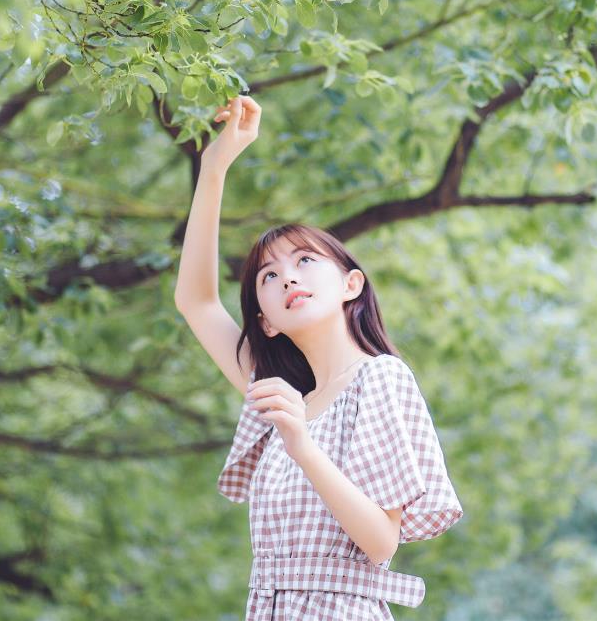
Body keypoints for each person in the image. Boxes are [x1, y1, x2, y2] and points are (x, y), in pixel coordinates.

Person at [173, 94, 464, 619]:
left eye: (305, 260)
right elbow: (195, 300)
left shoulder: (380, 379)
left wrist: (302, 444)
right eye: (268, 275)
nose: (287, 275)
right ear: (264, 318)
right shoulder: (279, 395)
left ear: (351, 283)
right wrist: (214, 166)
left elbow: (381, 543)